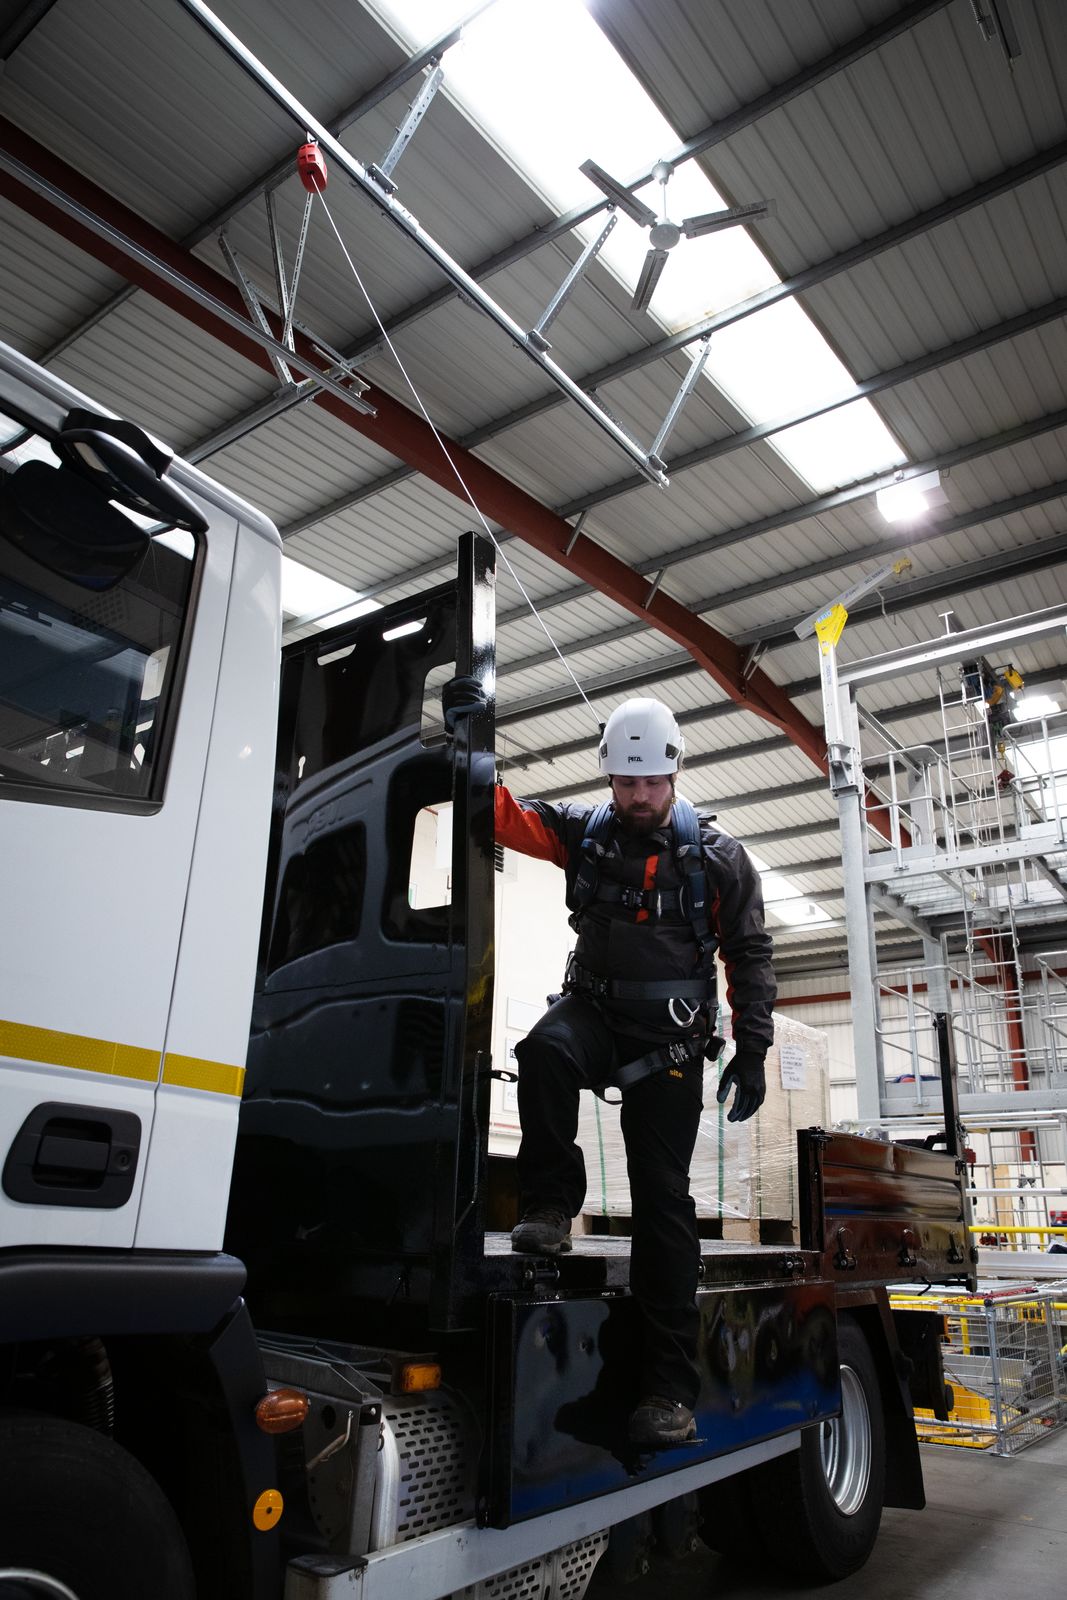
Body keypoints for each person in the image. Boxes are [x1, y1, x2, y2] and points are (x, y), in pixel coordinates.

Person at [491, 697, 776, 1448]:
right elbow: (501, 817)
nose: (639, 796)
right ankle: (550, 1208)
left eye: (651, 783)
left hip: (669, 1044)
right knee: (543, 1051)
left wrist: (752, 1051)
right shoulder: (582, 833)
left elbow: (749, 954)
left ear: (675, 773)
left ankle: (667, 1392)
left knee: (661, 1203)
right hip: (592, 1013)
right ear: (609, 776)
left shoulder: (717, 858)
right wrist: (468, 749)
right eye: (626, 782)